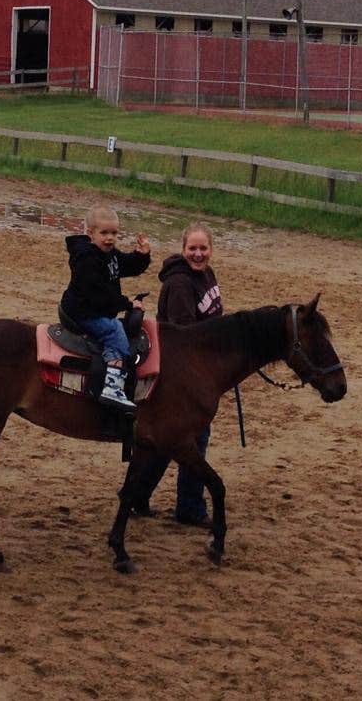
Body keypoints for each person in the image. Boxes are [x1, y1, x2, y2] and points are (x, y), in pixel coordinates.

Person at [136, 222, 222, 527]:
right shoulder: (180, 285)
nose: (198, 254)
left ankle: (135, 495)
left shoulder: (205, 275)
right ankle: (190, 508)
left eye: (203, 249)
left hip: (193, 367)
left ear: (211, 249)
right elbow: (187, 336)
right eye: (192, 249)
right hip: (178, 370)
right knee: (194, 438)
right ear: (183, 249)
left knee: (166, 441)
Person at [61, 206, 151, 411]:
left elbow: (127, 265)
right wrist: (128, 304)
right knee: (114, 330)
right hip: (83, 310)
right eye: (104, 233)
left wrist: (141, 255)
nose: (110, 238)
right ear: (89, 233)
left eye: (114, 233)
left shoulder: (109, 254)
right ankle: (113, 385)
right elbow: (99, 296)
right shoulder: (87, 259)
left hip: (97, 305)